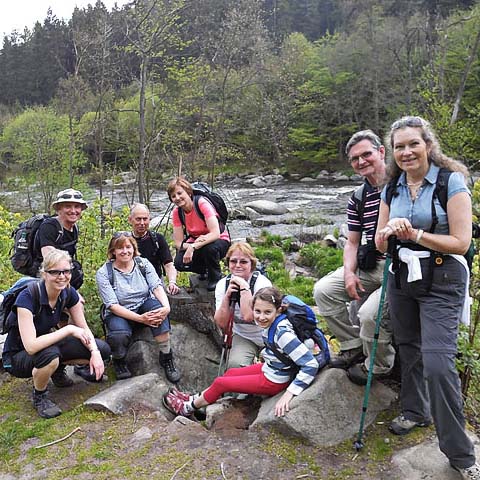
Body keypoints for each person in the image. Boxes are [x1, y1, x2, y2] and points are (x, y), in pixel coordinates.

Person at [375, 116, 479, 480]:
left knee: (438, 362)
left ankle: (461, 455)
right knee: (408, 347)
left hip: (443, 275)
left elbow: (461, 242)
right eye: (399, 147)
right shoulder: (392, 187)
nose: (406, 152)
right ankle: (415, 411)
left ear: (428, 145)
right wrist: (388, 233)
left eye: (413, 144)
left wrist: (416, 235)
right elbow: (379, 243)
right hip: (402, 275)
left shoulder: (452, 182)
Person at [313, 130, 395, 385]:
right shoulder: (358, 196)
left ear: (381, 152)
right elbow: (352, 241)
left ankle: (379, 364)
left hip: (399, 267)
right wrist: (349, 272)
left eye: (366, 154)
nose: (361, 161)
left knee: (369, 314)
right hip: (371, 264)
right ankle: (353, 346)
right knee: (324, 290)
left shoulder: (402, 184)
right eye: (355, 159)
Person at [163, 286, 319, 418]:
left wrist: (289, 393)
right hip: (271, 368)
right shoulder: (274, 324)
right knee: (230, 373)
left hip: (275, 380)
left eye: (267, 312)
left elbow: (310, 364)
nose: (261, 317)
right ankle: (193, 398)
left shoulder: (283, 333)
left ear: (278, 311)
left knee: (221, 383)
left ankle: (187, 408)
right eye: (257, 311)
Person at [1, 249, 110, 419]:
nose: (62, 276)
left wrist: (94, 352)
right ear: (44, 274)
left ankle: (57, 370)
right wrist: (68, 330)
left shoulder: (68, 292)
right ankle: (39, 396)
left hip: (47, 345)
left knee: (103, 349)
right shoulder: (27, 297)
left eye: (66, 271)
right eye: (55, 272)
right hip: (17, 356)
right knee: (50, 355)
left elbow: (83, 327)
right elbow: (31, 346)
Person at [96, 232, 180, 383]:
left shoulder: (143, 264)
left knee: (158, 312)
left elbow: (156, 286)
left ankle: (166, 356)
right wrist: (141, 319)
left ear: (134, 248)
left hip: (143, 302)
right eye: (120, 248)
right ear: (113, 251)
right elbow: (112, 305)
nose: (125, 251)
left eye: (128, 247)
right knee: (119, 334)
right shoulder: (104, 273)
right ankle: (119, 360)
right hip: (120, 311)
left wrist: (166, 307)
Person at [214, 242, 272, 370]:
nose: (238, 265)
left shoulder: (262, 284)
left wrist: (245, 288)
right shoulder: (223, 285)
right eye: (233, 261)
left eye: (244, 262)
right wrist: (227, 297)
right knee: (235, 365)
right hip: (243, 336)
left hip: (268, 334)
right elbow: (221, 322)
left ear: (252, 265)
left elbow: (248, 316)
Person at [167, 177, 231, 291]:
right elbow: (178, 243)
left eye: (180, 193)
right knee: (179, 263)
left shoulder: (202, 203)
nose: (177, 198)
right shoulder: (177, 212)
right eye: (173, 196)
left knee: (209, 249)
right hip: (196, 241)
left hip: (219, 240)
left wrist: (193, 247)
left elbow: (215, 233)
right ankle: (204, 270)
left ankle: (215, 277)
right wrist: (191, 246)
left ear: (188, 192)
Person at [34, 188, 87, 291]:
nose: (73, 211)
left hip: (62, 276)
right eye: (68, 206)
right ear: (59, 209)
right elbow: (49, 259)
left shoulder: (74, 228)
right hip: (44, 275)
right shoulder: (49, 227)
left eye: (77, 206)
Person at [128, 203, 180, 295]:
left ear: (149, 219)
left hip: (155, 284)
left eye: (145, 219)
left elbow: (168, 264)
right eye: (138, 219)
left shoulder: (157, 239)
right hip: (131, 285)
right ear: (130, 220)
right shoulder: (125, 241)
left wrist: (172, 282)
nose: (142, 223)